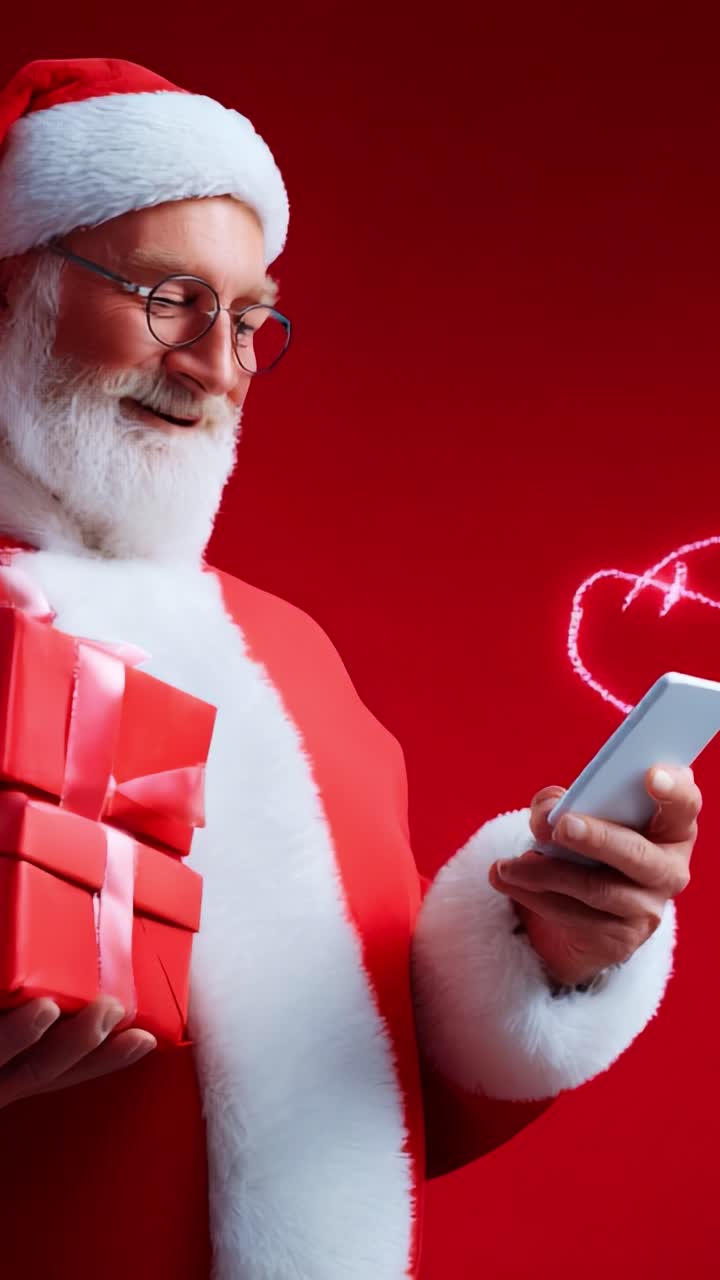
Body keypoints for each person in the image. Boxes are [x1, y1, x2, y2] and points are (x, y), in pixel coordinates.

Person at [0, 56, 700, 1280]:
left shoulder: (286, 659)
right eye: (169, 296)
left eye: (248, 318)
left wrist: (549, 949)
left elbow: (358, 1067)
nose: (215, 364)